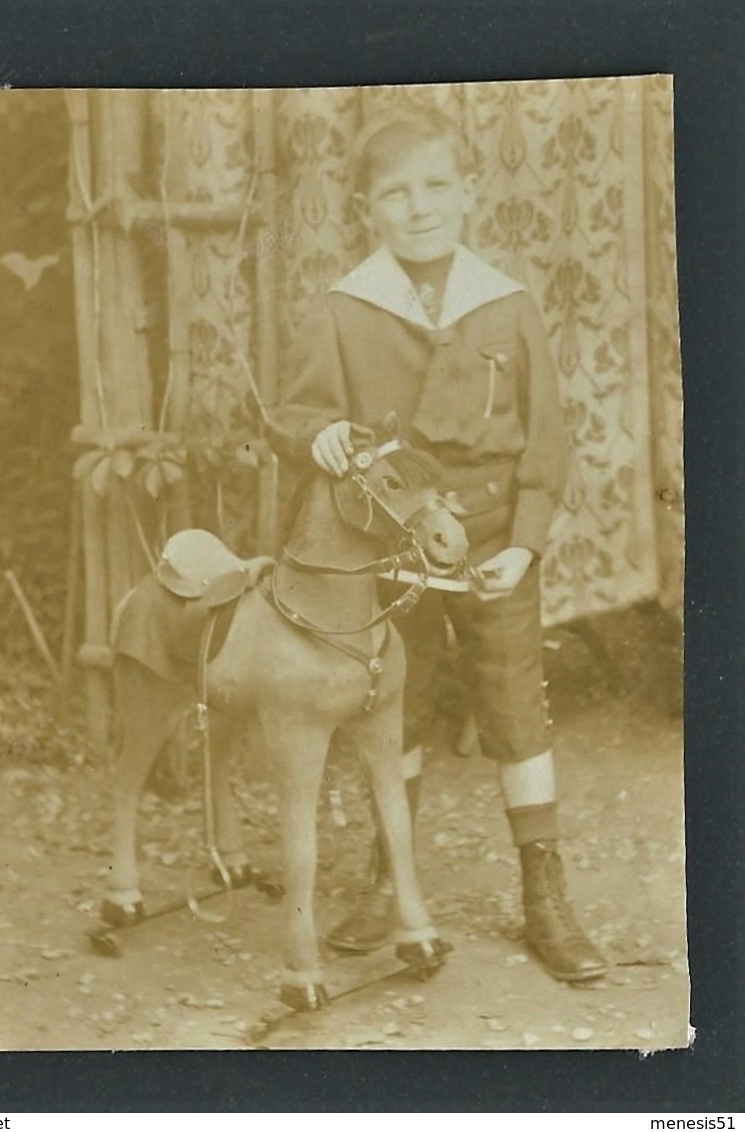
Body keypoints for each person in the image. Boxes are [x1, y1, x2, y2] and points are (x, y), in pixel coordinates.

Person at [268, 107, 607, 982]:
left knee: (514, 707)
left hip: (492, 544)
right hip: (393, 551)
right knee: (396, 712)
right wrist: (324, 436)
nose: (417, 208)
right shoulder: (345, 308)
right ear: (367, 209)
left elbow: (547, 443)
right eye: (395, 194)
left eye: (433, 187)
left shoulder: (506, 303)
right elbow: (297, 415)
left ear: (465, 192)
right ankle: (392, 877)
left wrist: (526, 546)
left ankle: (545, 892)